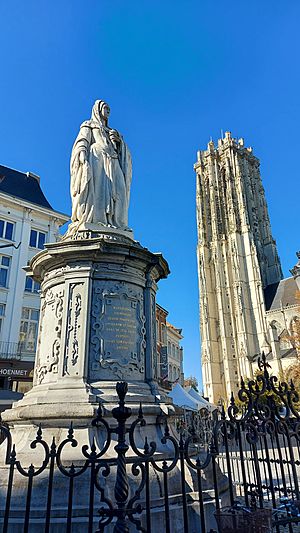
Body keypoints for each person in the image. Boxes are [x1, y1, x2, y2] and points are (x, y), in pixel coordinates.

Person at [69, 100, 132, 232]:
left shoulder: (112, 132)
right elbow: (82, 142)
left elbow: (123, 152)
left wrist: (119, 142)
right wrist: (82, 158)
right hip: (97, 160)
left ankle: (118, 223)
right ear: (97, 109)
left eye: (109, 108)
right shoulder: (89, 125)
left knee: (120, 190)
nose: (108, 111)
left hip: (113, 162)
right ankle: (97, 219)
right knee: (98, 190)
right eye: (105, 107)